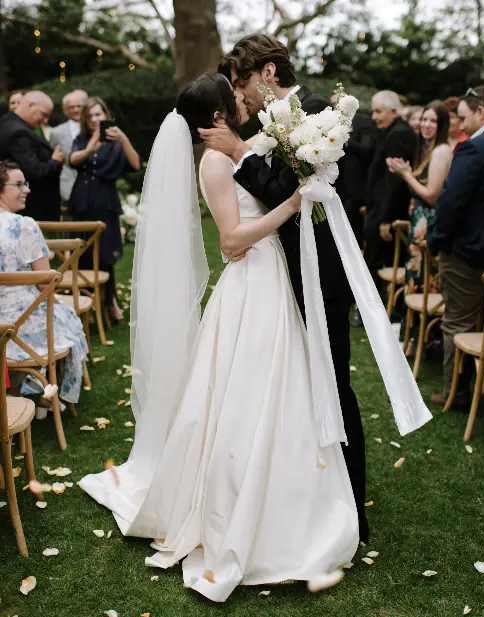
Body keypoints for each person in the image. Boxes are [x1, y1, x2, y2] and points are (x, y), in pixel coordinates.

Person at [80, 73, 360, 601]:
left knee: (283, 391)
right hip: (250, 281)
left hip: (272, 279)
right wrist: (292, 206)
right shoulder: (212, 162)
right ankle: (239, 511)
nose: (243, 98)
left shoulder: (239, 146)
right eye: (233, 96)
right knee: (248, 391)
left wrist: (319, 137)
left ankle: (291, 501)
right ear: (215, 115)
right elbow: (231, 240)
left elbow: (272, 141)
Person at [199, 34, 369, 541]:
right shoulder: (273, 126)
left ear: (268, 73)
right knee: (297, 387)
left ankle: (352, 509)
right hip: (281, 274)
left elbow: (298, 199)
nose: (241, 97)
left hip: (320, 276)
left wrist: (240, 154)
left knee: (333, 383)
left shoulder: (319, 116)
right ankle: (307, 494)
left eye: (244, 83)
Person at [427, 86, 484, 409]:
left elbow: (451, 203)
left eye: (463, 117)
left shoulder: (475, 147)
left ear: (481, 111)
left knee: (457, 323)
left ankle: (456, 394)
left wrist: (437, 241)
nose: (459, 124)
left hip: (468, 255)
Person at [0, 160, 88, 406]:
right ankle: (42, 392)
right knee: (66, 316)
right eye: (18, 184)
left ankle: (20, 390)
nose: (27, 189)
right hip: (25, 330)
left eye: (25, 183)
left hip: (1, 330)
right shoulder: (24, 225)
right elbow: (44, 283)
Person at [68, 96, 141, 323]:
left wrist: (123, 138)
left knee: (106, 254)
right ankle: (87, 303)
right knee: (83, 253)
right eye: (89, 116)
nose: (94, 120)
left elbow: (136, 164)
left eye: (98, 114)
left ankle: (110, 301)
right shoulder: (82, 140)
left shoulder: (116, 144)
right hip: (82, 201)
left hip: (106, 201)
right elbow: (73, 160)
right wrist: (90, 148)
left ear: (106, 115)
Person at [387, 101, 452, 293]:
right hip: (420, 221)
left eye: (433, 121)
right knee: (415, 273)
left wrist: (405, 175)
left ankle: (419, 322)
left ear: (442, 125)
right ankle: (412, 321)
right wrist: (406, 172)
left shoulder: (441, 151)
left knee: (424, 278)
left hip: (430, 223)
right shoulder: (428, 149)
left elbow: (431, 195)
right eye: (424, 119)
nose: (426, 124)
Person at [364, 90, 417, 296]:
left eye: (378, 112)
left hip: (386, 211)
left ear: (393, 111)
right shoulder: (392, 131)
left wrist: (385, 219)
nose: (374, 117)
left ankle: (373, 310)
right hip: (379, 207)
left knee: (376, 261)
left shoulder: (399, 134)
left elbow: (394, 181)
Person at [0, 91, 65, 221]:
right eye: (44, 114)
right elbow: (33, 170)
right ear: (31, 106)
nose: (45, 120)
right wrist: (55, 161)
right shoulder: (18, 132)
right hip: (32, 210)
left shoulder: (8, 122)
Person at [336, 107, 377, 248]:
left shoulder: (364, 121)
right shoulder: (333, 120)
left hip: (357, 187)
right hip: (337, 184)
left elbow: (367, 149)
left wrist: (345, 140)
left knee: (351, 228)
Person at [50, 90, 88, 202]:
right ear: (65, 110)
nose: (76, 110)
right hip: (68, 189)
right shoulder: (56, 133)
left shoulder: (96, 130)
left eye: (79, 106)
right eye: (71, 107)